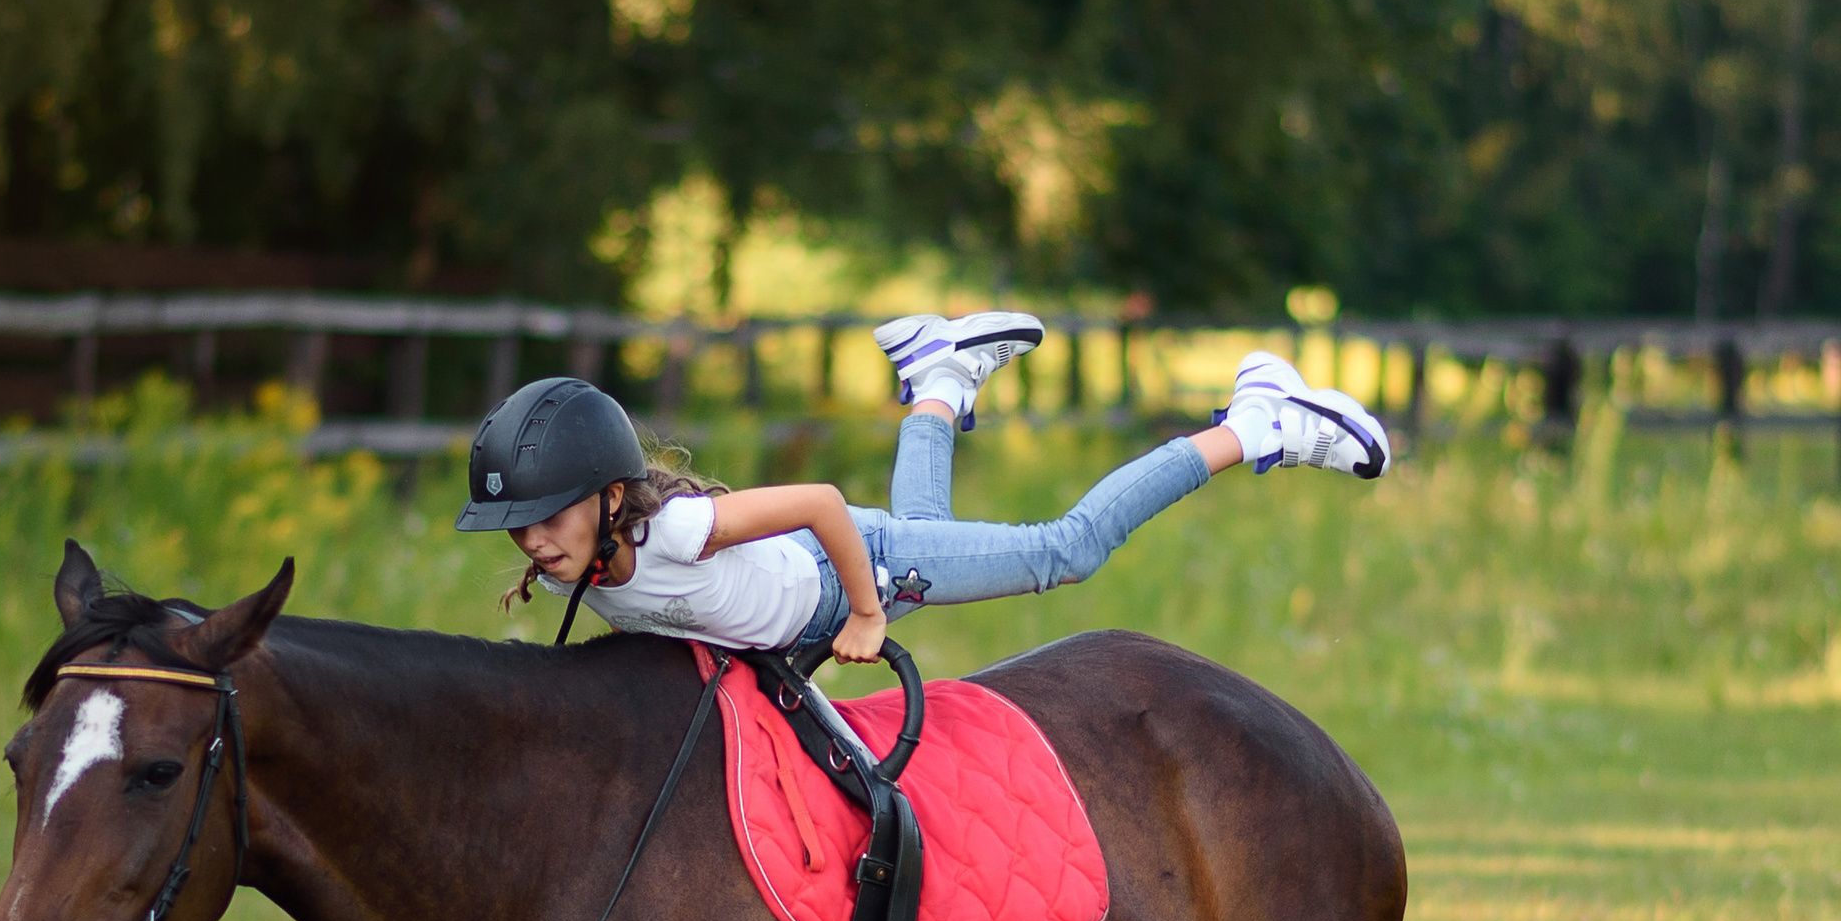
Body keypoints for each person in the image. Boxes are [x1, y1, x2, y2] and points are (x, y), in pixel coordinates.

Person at [454, 312, 1390, 662]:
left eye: (546, 514)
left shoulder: (679, 530)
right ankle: (939, 378)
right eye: (517, 527)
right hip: (835, 599)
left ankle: (1256, 421)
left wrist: (866, 613)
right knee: (925, 526)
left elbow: (820, 502)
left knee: (1065, 550)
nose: (532, 539)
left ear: (614, 498)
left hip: (853, 575)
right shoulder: (588, 571)